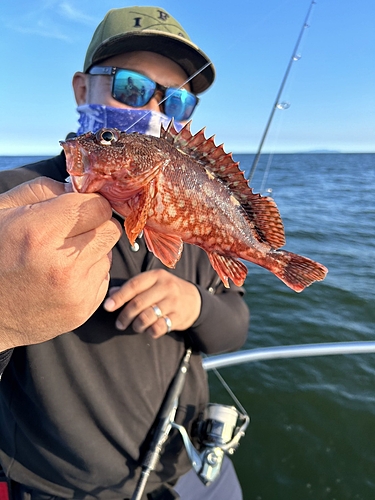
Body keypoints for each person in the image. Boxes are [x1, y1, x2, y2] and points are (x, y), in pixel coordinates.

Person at [0, 6, 250, 500]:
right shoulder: (9, 202)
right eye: (131, 87)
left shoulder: (192, 210)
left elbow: (236, 324)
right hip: (58, 488)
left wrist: (196, 305)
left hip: (188, 468)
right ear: (81, 88)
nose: (153, 111)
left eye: (176, 102)